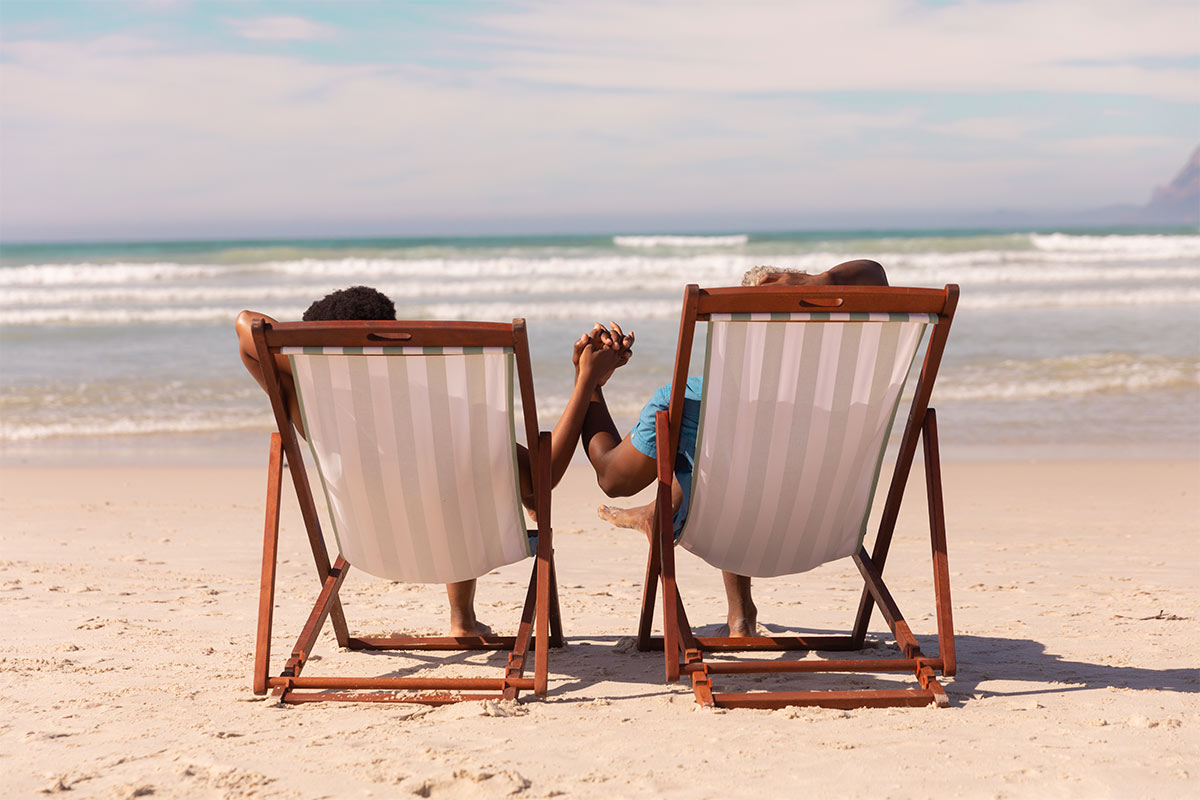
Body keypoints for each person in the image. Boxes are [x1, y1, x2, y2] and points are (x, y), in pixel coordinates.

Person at [236, 286, 634, 637]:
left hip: (369, 544)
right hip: (456, 543)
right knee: (454, 483)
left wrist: (320, 364)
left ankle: (462, 619)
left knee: (447, 482)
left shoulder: (308, 408)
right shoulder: (448, 411)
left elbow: (246, 325)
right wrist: (585, 381)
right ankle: (462, 618)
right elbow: (542, 481)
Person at [578, 260, 890, 638]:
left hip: (737, 523)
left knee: (723, 456)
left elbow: (612, 477)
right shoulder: (847, 394)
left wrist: (590, 380)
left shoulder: (690, 401)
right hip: (824, 531)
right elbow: (876, 275)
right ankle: (738, 613)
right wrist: (820, 282)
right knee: (731, 458)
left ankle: (657, 518)